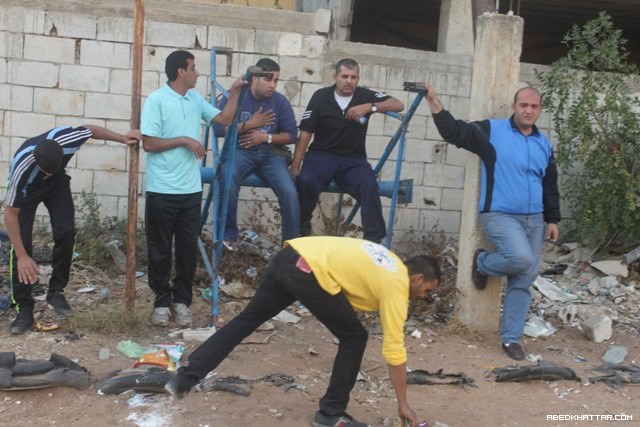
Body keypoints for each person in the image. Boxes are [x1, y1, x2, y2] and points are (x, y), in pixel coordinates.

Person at [165, 236, 441, 427]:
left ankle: (185, 378)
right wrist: (403, 403)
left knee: (247, 320)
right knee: (355, 337)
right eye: (426, 290)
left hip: (291, 255)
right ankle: (331, 413)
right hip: (309, 271)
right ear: (417, 278)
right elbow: (394, 351)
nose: (421, 296)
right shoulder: (396, 285)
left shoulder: (389, 261)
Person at [423, 84, 560, 361]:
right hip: (500, 214)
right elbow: (455, 132)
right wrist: (434, 100)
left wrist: (552, 218)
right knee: (521, 260)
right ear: (514, 107)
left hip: (534, 218)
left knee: (525, 278)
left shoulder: (543, 142)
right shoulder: (491, 132)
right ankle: (483, 262)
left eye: (534, 106)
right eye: (523, 105)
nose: (528, 110)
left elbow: (549, 182)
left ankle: (511, 339)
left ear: (540, 110)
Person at [141, 50, 246, 327]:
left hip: (189, 190)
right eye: (193, 68)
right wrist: (185, 140)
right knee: (160, 249)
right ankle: (162, 302)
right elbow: (149, 143)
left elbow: (223, 120)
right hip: (161, 189)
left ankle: (182, 302)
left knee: (187, 250)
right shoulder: (157, 100)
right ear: (180, 71)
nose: (197, 72)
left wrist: (234, 92)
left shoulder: (195, 99)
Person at [4, 125, 141, 334]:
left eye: (52, 169)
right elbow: (10, 215)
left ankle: (56, 291)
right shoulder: (22, 169)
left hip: (57, 185)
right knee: (21, 245)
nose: (47, 173)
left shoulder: (67, 139)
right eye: (45, 171)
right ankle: (24, 308)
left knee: (66, 231)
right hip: (30, 191)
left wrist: (122, 138)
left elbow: (91, 130)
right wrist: (23, 256)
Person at [291, 58, 404, 243]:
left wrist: (370, 107)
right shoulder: (320, 97)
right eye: (344, 76)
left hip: (353, 159)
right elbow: (305, 133)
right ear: (335, 77)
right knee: (305, 181)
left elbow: (398, 104)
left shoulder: (365, 96)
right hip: (322, 155)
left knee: (368, 184)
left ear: (358, 78)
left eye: (353, 77)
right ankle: (300, 231)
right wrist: (295, 166)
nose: (349, 81)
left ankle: (374, 240)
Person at [214, 58, 299, 249]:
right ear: (254, 79)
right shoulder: (236, 96)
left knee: (289, 192)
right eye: (268, 79)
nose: (272, 85)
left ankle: (291, 246)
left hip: (271, 156)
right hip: (240, 151)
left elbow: (292, 135)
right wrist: (250, 125)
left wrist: (265, 137)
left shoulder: (279, 101)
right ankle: (228, 236)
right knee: (227, 176)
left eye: (276, 80)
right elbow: (218, 129)